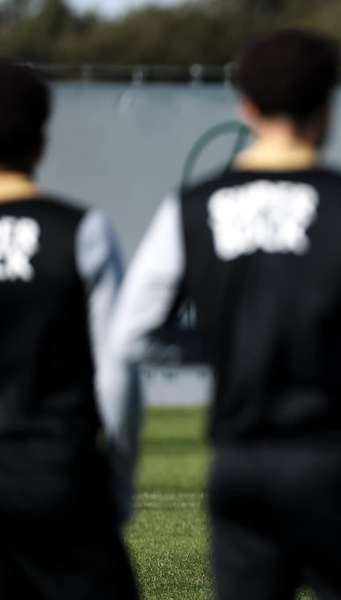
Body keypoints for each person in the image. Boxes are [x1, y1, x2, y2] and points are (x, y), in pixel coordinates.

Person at [105, 30, 341, 600]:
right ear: (328, 103)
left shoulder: (190, 206)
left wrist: (121, 466)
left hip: (237, 470)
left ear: (246, 106)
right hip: (330, 460)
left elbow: (124, 342)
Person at [0, 62, 139, 598]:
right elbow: (118, 370)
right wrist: (121, 479)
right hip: (57, 478)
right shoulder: (82, 232)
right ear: (41, 140)